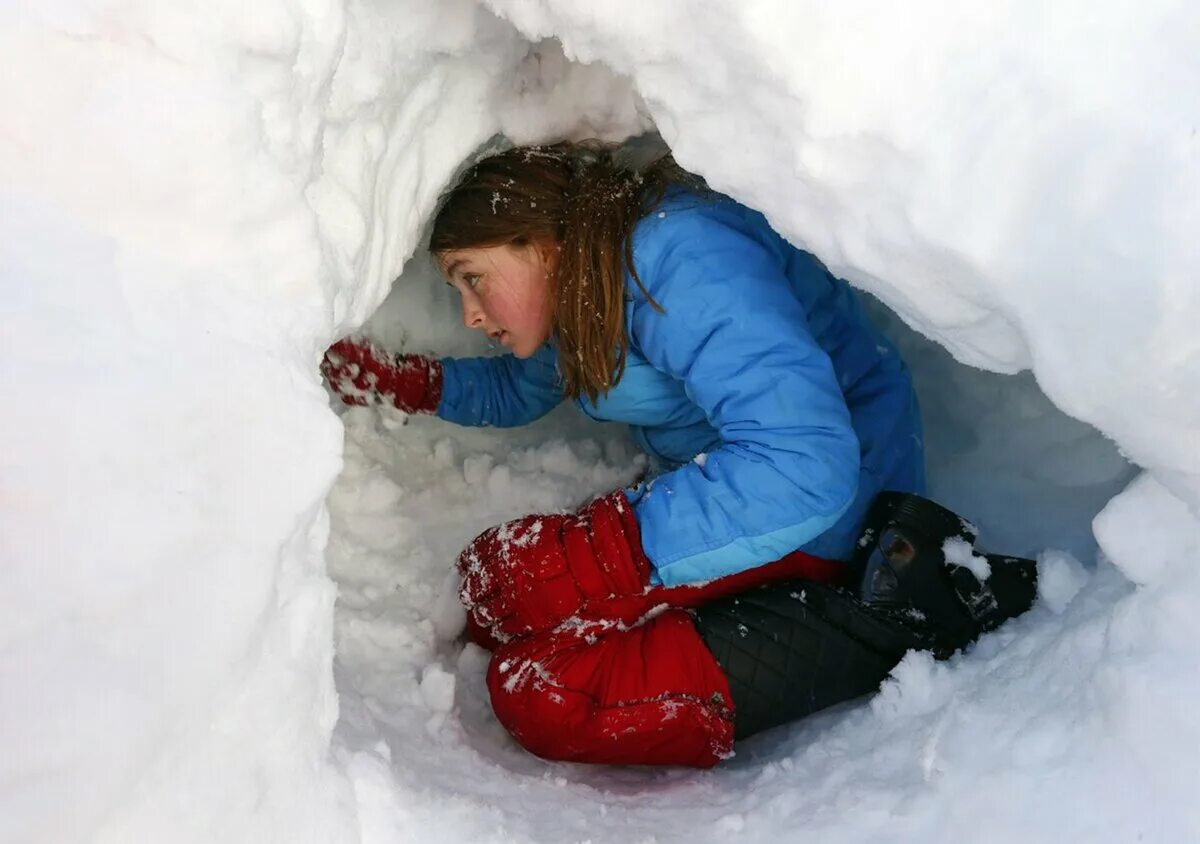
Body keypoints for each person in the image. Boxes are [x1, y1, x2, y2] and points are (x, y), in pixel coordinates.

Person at [322, 142, 930, 767]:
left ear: (541, 242)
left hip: (834, 512)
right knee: (491, 590)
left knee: (546, 690)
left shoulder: (681, 256)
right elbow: (519, 387)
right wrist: (408, 382)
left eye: (473, 278)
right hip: (743, 494)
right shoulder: (583, 294)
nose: (470, 315)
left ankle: (859, 626)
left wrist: (605, 550)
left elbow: (805, 464)